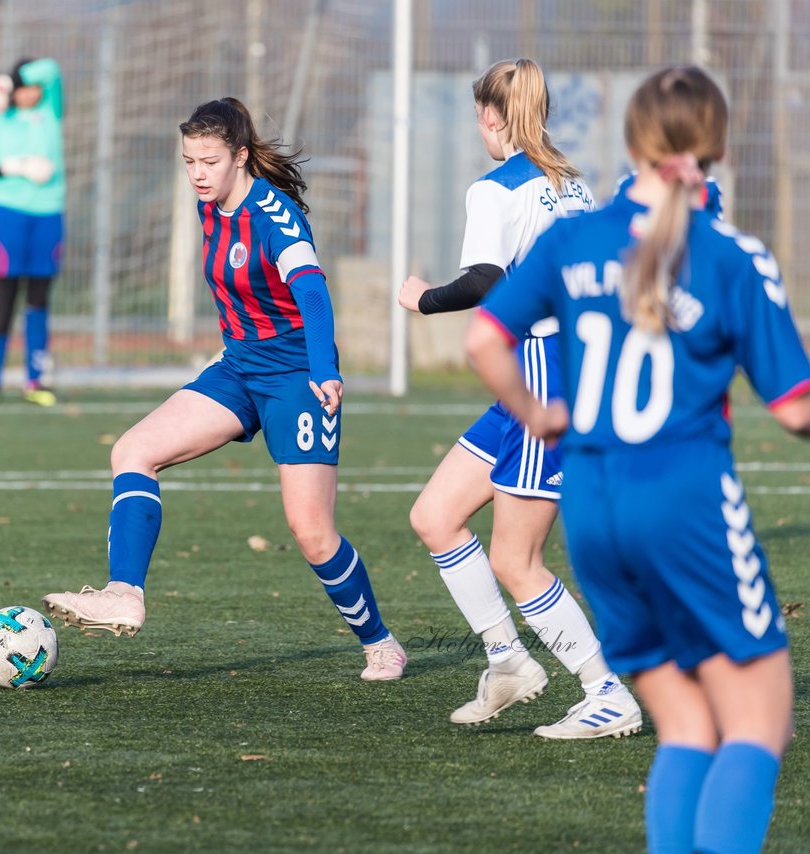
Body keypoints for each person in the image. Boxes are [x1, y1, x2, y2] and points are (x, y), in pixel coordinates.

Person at [466, 64, 810, 854]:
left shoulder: (573, 239)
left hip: (593, 508)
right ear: (716, 146)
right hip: (685, 503)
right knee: (759, 721)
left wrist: (538, 413)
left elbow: (485, 336)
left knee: (686, 725)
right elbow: (792, 407)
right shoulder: (728, 253)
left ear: (631, 143)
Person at [42, 97, 407, 681]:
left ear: (240, 158)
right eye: (189, 161)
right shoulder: (208, 205)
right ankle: (123, 593)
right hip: (238, 368)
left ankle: (380, 641)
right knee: (132, 451)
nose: (198, 173)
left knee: (311, 531)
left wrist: (324, 369)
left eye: (209, 161)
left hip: (297, 377)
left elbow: (312, 293)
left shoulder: (275, 217)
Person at [397, 58, 642, 738]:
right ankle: (507, 661)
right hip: (560, 368)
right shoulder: (572, 185)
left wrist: (423, 299)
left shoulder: (495, 188)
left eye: (481, 116)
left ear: (492, 117)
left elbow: (481, 280)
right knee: (435, 515)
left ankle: (606, 690)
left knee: (514, 559)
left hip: (545, 377)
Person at [0, 57, 66, 407]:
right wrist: (16, 167)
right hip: (9, 214)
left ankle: (36, 380)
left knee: (39, 298)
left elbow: (50, 70)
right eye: (22, 88)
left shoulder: (51, 112)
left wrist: (14, 76)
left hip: (49, 215)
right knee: (6, 295)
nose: (30, 92)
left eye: (32, 87)